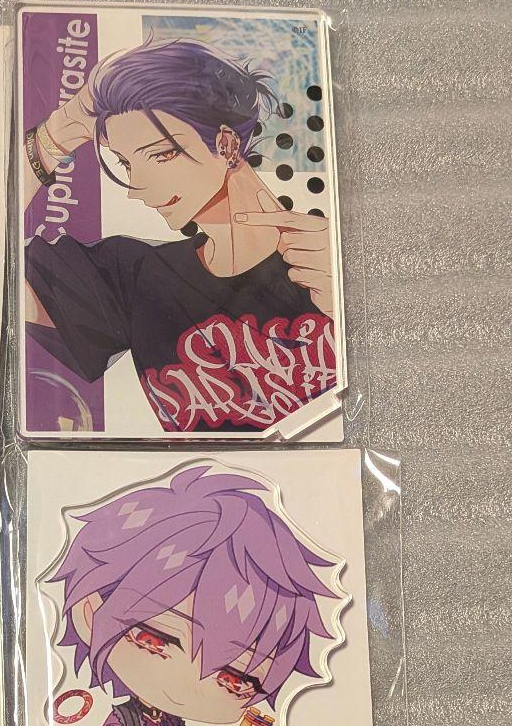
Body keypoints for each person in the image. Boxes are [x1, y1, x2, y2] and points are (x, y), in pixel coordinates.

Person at [23, 38, 336, 433]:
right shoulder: (133, 276)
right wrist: (62, 130)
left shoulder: (328, 257)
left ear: (226, 145)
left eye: (160, 154)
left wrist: (350, 312)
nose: (137, 187)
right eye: (126, 164)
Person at [50, 466, 339, 726]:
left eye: (236, 678)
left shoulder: (173, 724)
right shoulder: (123, 720)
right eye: (153, 639)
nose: (187, 684)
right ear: (91, 613)